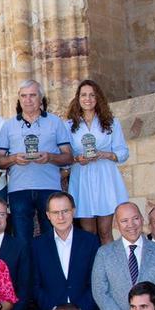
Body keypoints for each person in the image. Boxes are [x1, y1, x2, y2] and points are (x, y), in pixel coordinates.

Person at [0, 79, 73, 247]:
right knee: (22, 241)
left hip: (49, 188)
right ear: (19, 99)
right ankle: (26, 274)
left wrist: (50, 157)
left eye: (32, 95)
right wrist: (13, 159)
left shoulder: (55, 122)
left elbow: (68, 157)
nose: (28, 100)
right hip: (19, 190)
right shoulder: (8, 126)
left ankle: (48, 273)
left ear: (40, 98)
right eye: (24, 96)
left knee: (51, 239)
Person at [63, 80, 129, 245]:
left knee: (105, 231)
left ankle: (111, 269)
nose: (88, 99)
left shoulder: (111, 123)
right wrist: (77, 159)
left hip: (105, 177)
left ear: (98, 98)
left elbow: (123, 152)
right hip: (82, 178)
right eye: (84, 95)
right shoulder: (69, 126)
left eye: (92, 95)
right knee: (88, 233)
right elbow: (65, 155)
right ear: (78, 98)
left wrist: (105, 154)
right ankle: (90, 269)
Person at [31, 192, 101, 310]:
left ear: (73, 211)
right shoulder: (37, 245)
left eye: (65, 211)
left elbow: (97, 282)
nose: (61, 217)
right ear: (48, 215)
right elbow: (34, 284)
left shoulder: (90, 242)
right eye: (55, 212)